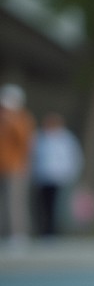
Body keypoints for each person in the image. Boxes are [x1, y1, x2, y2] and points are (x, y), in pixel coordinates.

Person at [31, 112, 83, 236]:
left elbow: (75, 158)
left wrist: (72, 174)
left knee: (57, 207)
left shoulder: (66, 139)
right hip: (43, 177)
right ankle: (44, 230)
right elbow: (33, 157)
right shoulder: (39, 137)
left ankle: (56, 231)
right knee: (43, 206)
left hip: (60, 178)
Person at [0, 84, 36, 250]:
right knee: (4, 204)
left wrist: (12, 123)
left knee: (16, 203)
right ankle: (5, 234)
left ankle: (19, 235)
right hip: (3, 166)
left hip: (17, 168)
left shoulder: (23, 119)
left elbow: (26, 142)